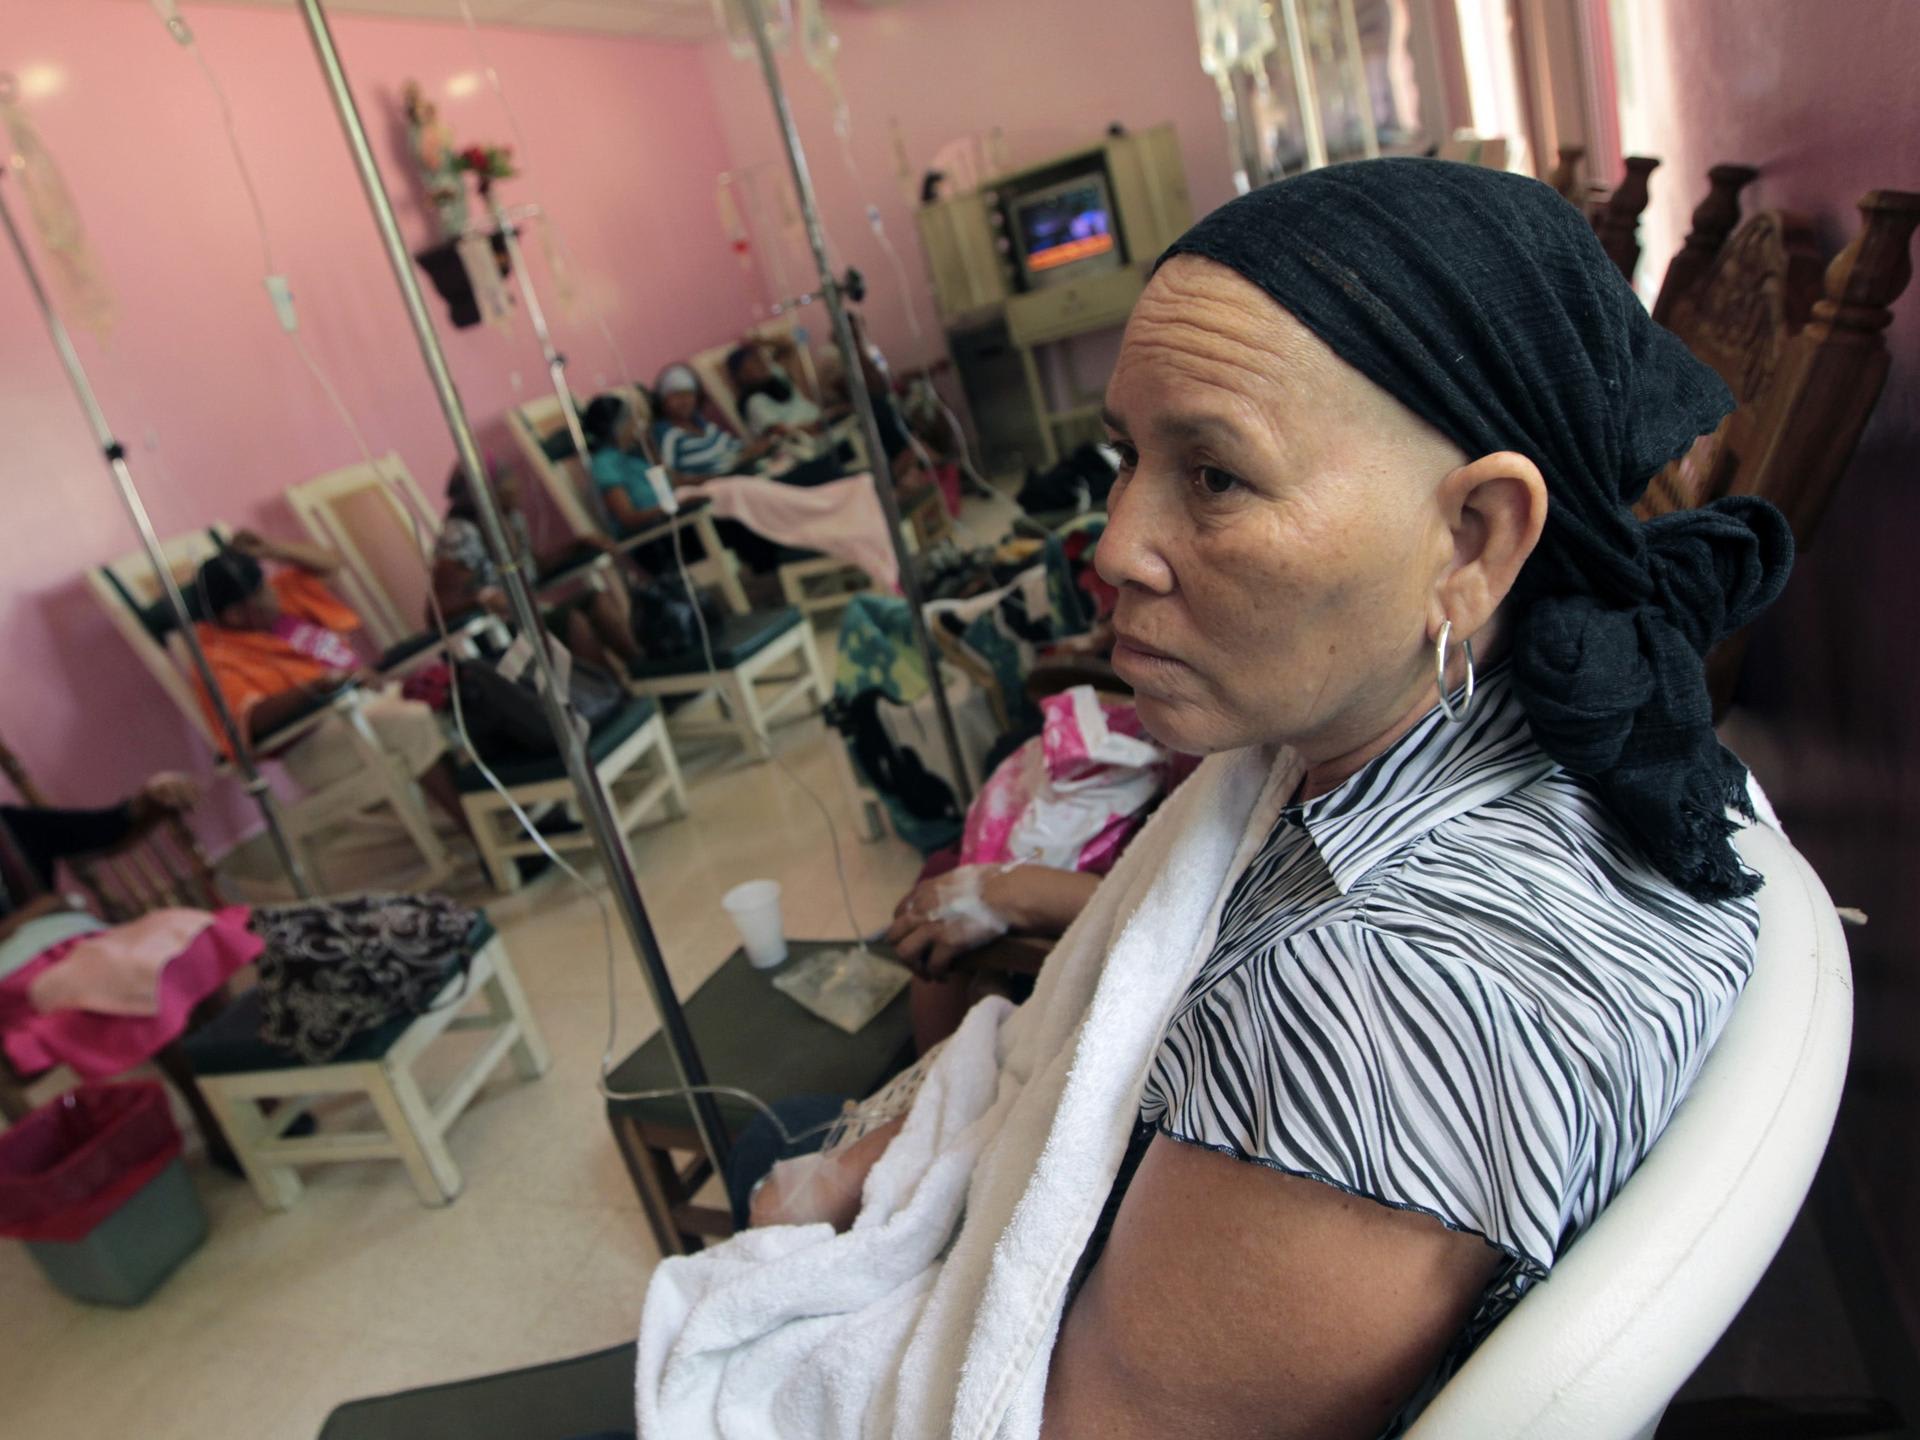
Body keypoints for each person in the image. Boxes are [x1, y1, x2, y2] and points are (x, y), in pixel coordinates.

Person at [637, 159, 1796, 1438]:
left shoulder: (1395, 1024)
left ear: (1472, 540)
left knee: (752, 1178)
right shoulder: (1461, 734)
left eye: (1217, 477)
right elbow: (1216, 950)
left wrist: (846, 1191)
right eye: (1128, 456)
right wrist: (895, 1126)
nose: (1115, 546)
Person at [191, 533, 473, 838]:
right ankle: (480, 835)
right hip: (313, 742)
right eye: (261, 592)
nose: (272, 593)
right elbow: (249, 718)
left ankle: (496, 807)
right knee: (413, 718)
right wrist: (318, 687)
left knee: (457, 692)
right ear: (234, 615)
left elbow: (331, 563)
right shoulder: (216, 657)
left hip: (363, 703)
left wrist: (272, 548)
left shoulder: (279, 602)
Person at [431, 463, 641, 673]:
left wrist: (577, 546)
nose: (517, 488)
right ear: (486, 491)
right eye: (507, 483)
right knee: (572, 622)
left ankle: (640, 669)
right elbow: (440, 608)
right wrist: (484, 597)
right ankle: (610, 693)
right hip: (493, 633)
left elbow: (533, 568)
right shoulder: (460, 533)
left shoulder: (511, 519)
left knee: (597, 600)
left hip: (527, 616)